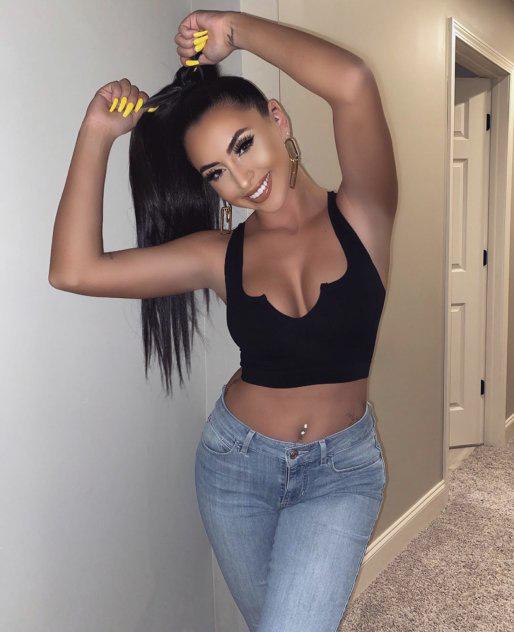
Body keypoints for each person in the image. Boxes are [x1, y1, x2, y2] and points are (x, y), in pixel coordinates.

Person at [49, 9, 397, 632]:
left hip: (341, 473)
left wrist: (234, 31)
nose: (242, 179)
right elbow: (75, 270)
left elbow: (353, 83)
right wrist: (98, 133)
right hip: (235, 469)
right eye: (216, 173)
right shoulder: (219, 256)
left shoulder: (365, 212)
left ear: (277, 120)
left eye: (243, 145)